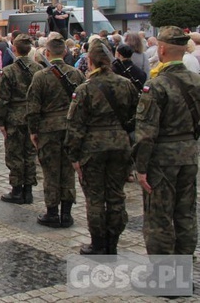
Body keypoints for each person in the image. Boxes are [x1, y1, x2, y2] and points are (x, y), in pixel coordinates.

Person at [65, 40, 139, 255]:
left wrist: (74, 155)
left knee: (95, 197)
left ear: (90, 62)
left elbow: (75, 125)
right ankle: (113, 242)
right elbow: (136, 117)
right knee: (116, 195)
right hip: (120, 145)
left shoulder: (85, 89)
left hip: (93, 147)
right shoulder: (126, 84)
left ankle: (98, 243)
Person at [132, 26, 200, 256]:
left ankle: (165, 279)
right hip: (189, 154)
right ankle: (182, 274)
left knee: (159, 216)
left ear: (161, 50)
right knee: (185, 214)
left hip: (162, 159)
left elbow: (145, 132)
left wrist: (140, 167)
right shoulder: (197, 81)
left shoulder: (157, 85)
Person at [27, 34, 86, 228]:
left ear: (47, 53)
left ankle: (52, 212)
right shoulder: (76, 74)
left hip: (48, 129)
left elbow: (33, 107)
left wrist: (33, 130)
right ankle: (67, 213)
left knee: (51, 171)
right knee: (68, 170)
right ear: (66, 52)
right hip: (70, 128)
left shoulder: (41, 76)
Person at [0, 34, 42, 204]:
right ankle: (28, 190)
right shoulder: (39, 69)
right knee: (29, 154)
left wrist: (1, 121)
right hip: (32, 116)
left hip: (14, 118)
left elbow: (2, 98)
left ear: (14, 49)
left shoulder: (8, 71)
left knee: (15, 155)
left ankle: (17, 190)